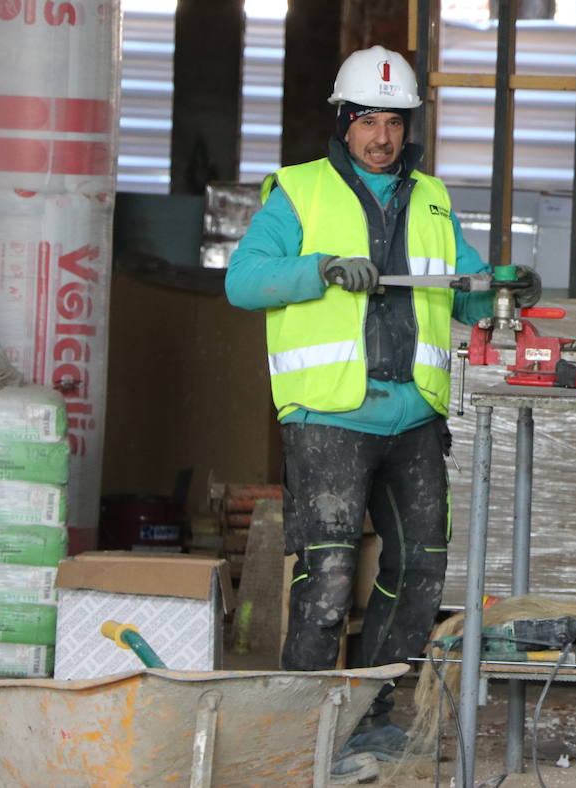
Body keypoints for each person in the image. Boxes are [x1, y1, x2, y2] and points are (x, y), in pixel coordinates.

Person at [225, 45, 541, 783]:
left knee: (419, 573)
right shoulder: (297, 194)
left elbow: (461, 293)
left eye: (394, 121)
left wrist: (503, 287)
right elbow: (244, 282)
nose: (383, 136)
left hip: (414, 419)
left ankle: (371, 720)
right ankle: (301, 729)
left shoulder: (431, 199)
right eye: (368, 119)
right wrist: (321, 269)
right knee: (328, 581)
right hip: (330, 414)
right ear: (344, 121)